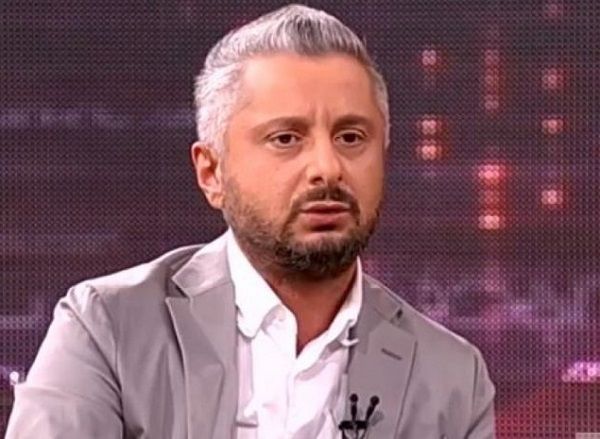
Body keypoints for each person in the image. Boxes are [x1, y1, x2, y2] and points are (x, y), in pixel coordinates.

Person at [6, 4, 495, 438]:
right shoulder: (107, 330)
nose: (327, 168)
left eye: (351, 137)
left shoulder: (452, 379)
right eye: (286, 138)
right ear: (212, 172)